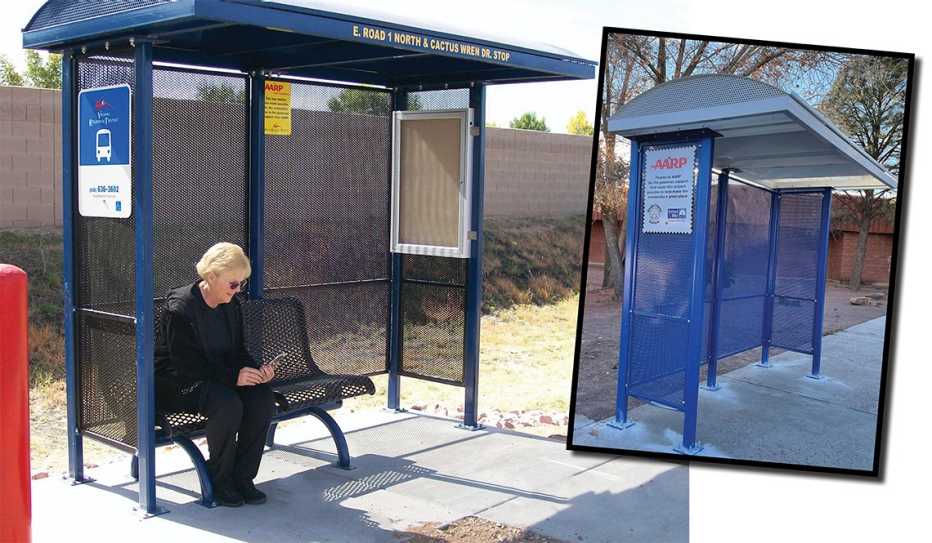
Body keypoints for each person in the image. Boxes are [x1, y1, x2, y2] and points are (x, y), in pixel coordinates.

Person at [155, 242, 276, 507]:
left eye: (242, 284)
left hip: (217, 378)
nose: (238, 290)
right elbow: (185, 365)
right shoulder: (181, 308)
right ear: (211, 276)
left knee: (261, 398)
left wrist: (256, 371)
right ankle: (220, 480)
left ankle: (243, 477)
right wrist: (234, 377)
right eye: (234, 284)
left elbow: (238, 351)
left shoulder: (229, 304)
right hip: (178, 384)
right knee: (227, 404)